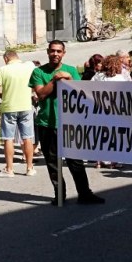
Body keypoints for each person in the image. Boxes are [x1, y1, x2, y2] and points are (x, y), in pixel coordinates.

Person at [30, 40, 105, 205]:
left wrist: (69, 78)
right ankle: (59, 195)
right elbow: (41, 94)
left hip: (70, 123)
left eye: (58, 51)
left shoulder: (71, 70)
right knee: (52, 162)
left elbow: (79, 93)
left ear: (63, 53)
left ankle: (84, 194)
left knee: (75, 161)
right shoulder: (38, 72)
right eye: (52, 51)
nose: (55, 54)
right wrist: (55, 80)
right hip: (46, 124)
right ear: (47, 52)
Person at [0, 50, 36, 178]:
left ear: (6, 59)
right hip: (26, 106)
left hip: (9, 107)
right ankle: (29, 167)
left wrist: (2, 95)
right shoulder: (28, 67)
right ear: (17, 57)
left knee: (8, 138)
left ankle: (9, 169)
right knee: (27, 137)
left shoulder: (2, 70)